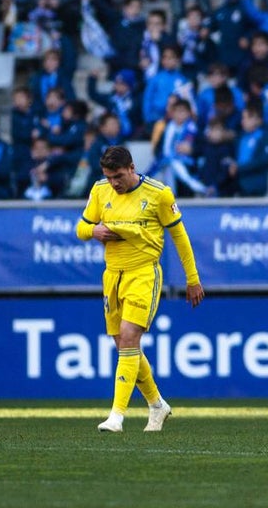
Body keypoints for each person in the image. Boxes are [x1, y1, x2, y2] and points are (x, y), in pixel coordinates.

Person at [76, 145, 204, 433]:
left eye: (118, 176)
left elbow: (180, 237)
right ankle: (157, 405)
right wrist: (93, 231)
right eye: (109, 177)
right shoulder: (100, 191)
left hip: (144, 273)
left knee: (130, 336)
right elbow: (81, 228)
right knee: (124, 345)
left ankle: (116, 416)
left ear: (132, 168)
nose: (114, 183)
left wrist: (192, 278)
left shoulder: (159, 194)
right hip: (112, 276)